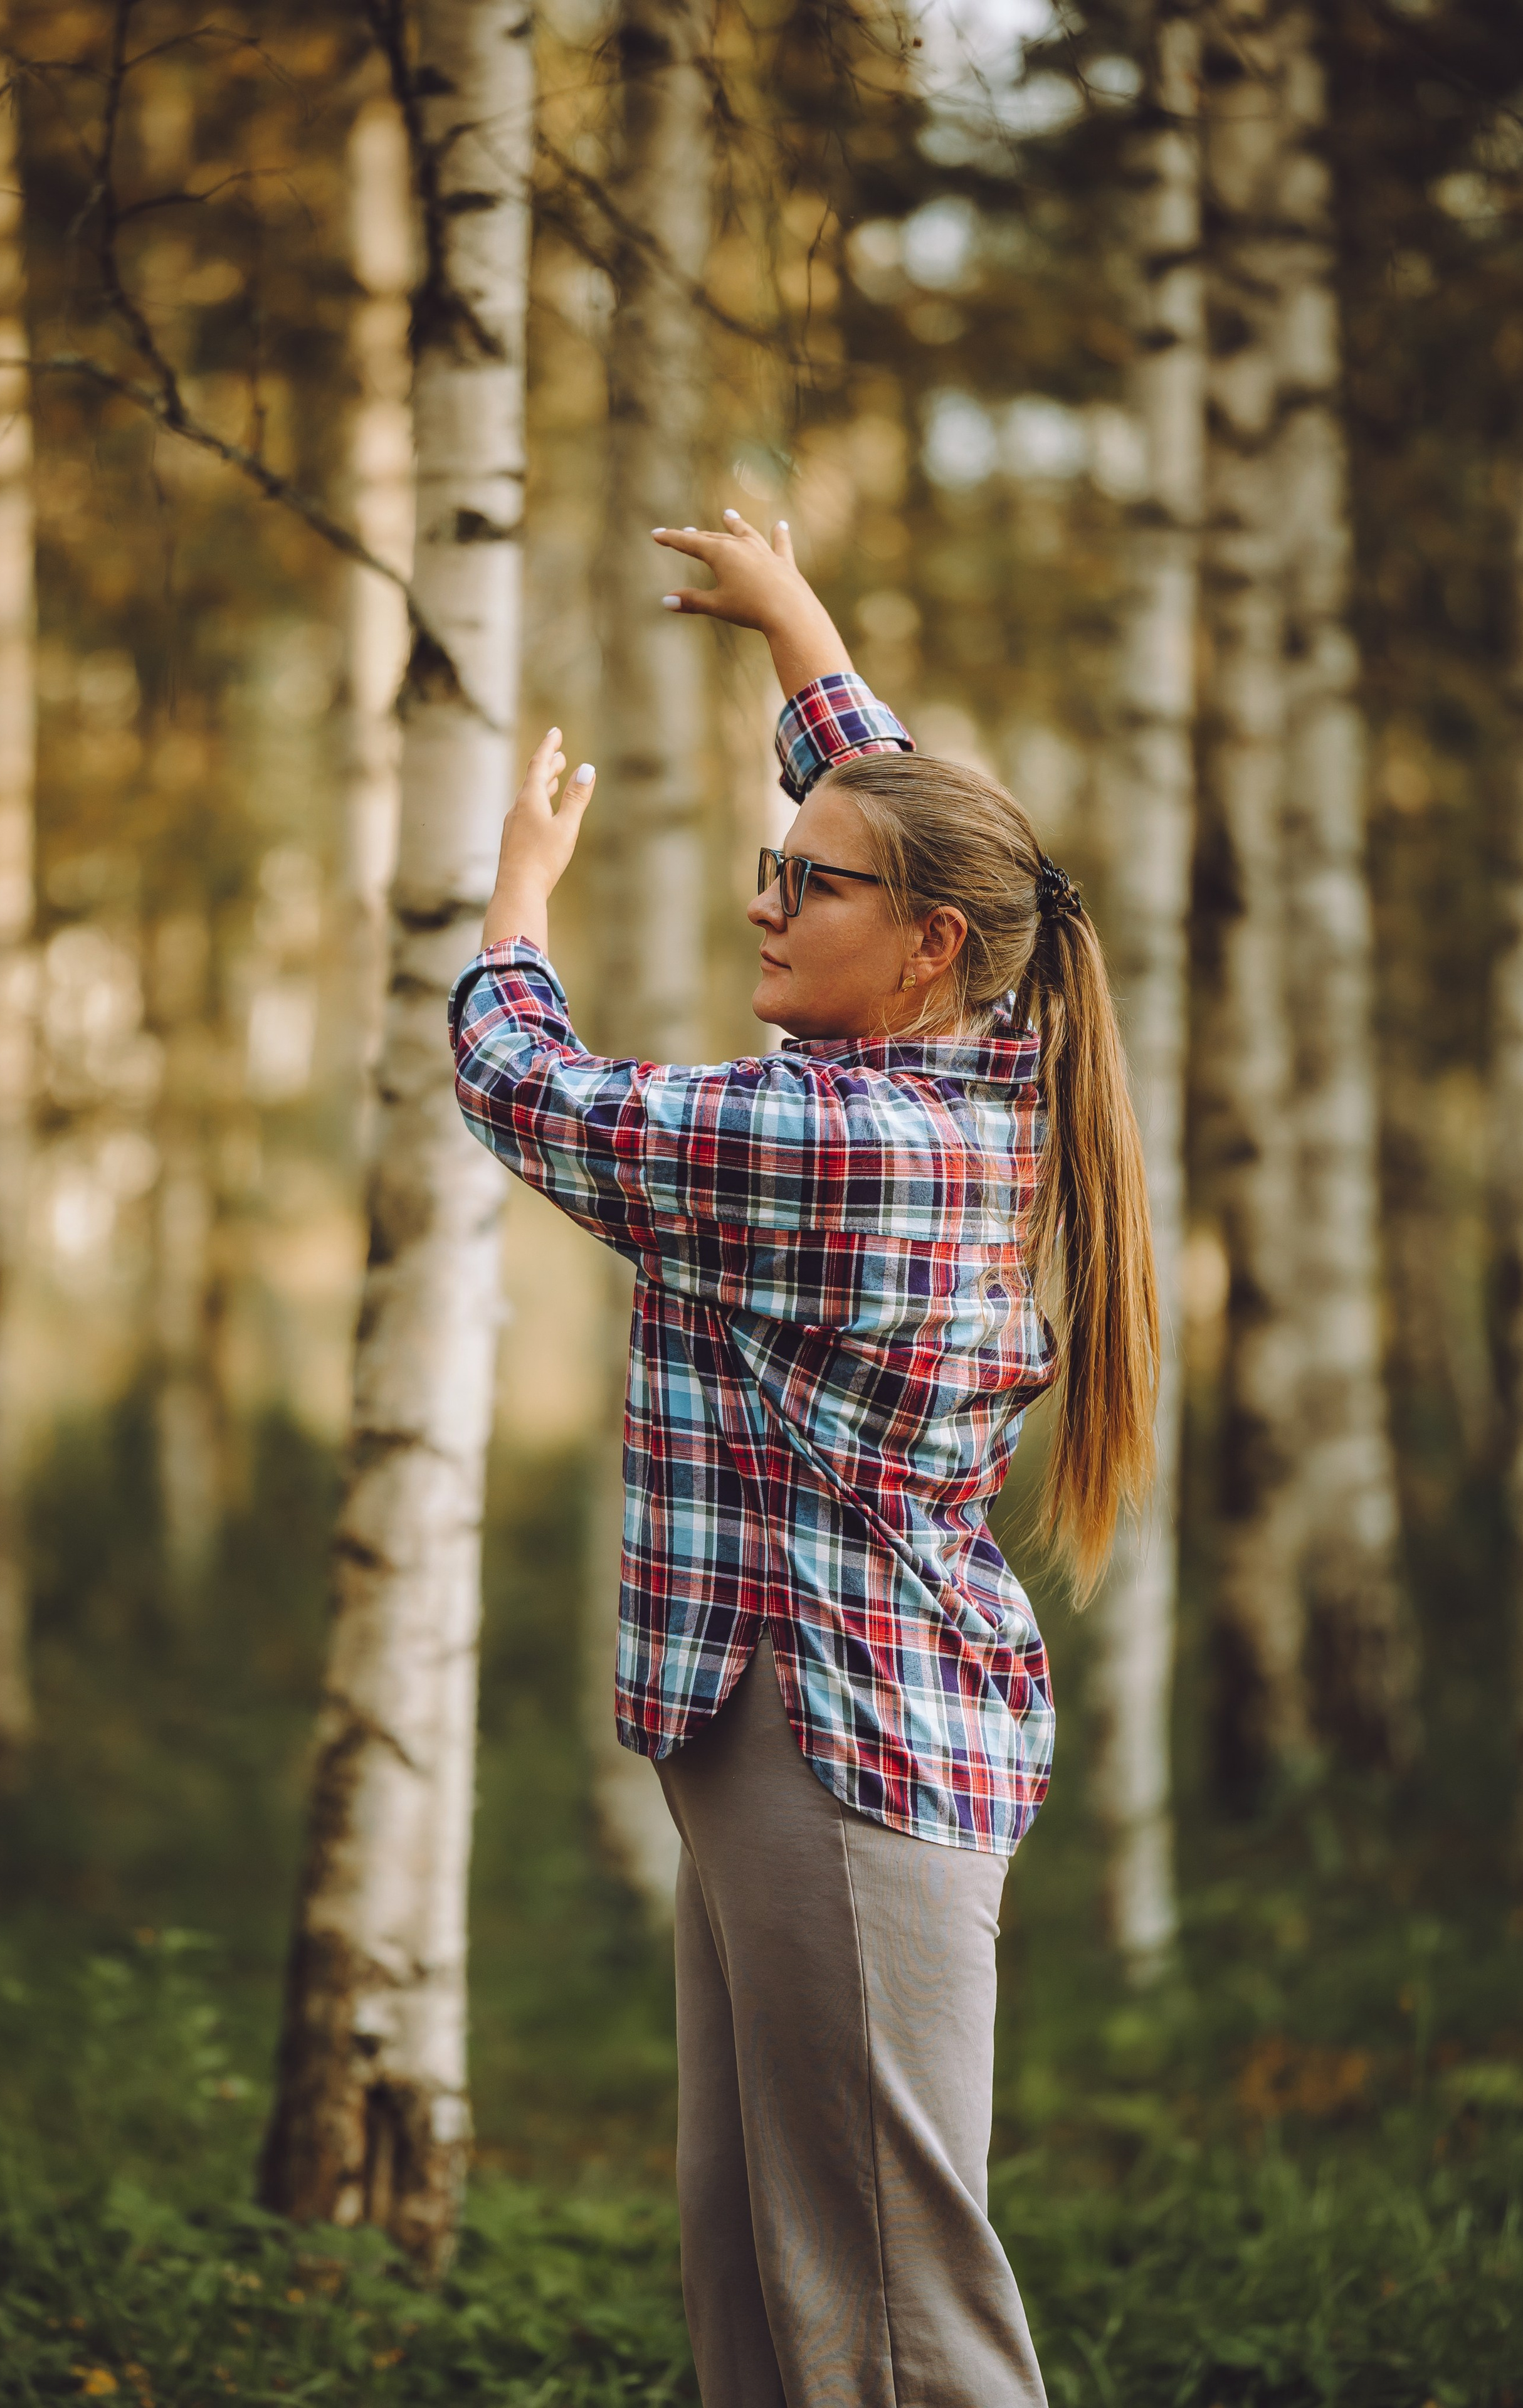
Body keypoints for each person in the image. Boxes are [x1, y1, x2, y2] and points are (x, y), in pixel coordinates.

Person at [450, 512, 1158, 2408]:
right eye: (775, 868)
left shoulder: (840, 1142)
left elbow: (528, 1089)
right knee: (766, 2270)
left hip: (840, 1741)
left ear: (920, 952)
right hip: (804, 1724)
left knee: (894, 2308)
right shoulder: (993, 1055)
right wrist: (802, 639)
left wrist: (514, 905)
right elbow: (937, 842)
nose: (769, 901)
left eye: (803, 886)